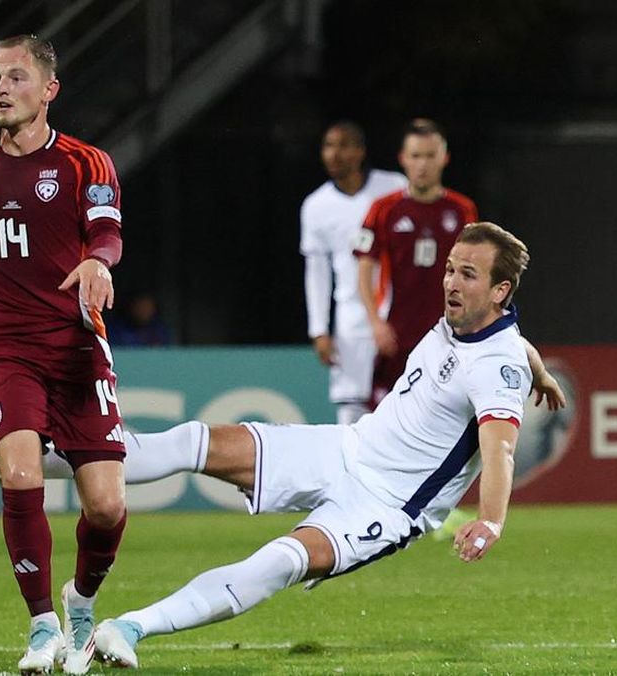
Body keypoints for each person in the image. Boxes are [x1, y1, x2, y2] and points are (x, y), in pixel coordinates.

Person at [90, 223, 565, 669]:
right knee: (199, 440)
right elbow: (518, 345)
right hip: (346, 447)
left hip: (385, 505)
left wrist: (490, 521)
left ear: (500, 290)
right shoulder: (473, 326)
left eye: (468, 274)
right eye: (449, 269)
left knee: (281, 561)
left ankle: (129, 628)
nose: (450, 284)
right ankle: (46, 461)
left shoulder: (495, 365)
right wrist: (541, 373)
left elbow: (500, 447)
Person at [0, 34, 128, 675]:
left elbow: (108, 234)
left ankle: (81, 604)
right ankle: (42, 627)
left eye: (14, 77)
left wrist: (98, 260)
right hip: (6, 350)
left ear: (48, 90)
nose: (0, 89)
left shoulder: (88, 163)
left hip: (77, 348)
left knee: (107, 507)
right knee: (18, 473)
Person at [355, 118, 479, 408]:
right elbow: (364, 270)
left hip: (447, 332)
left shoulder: (462, 210)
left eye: (430, 155)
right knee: (384, 415)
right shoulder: (383, 209)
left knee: (443, 416)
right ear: (403, 159)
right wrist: (375, 323)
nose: (422, 164)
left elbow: (475, 270)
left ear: (444, 158)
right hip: (395, 333)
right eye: (415, 156)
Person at [300, 121, 406, 423]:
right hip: (352, 317)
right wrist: (319, 328)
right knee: (352, 409)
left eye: (344, 145)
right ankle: (352, 471)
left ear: (360, 151)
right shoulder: (316, 205)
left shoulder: (394, 188)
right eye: (328, 146)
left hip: (399, 311)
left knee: (404, 403)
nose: (335, 154)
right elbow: (316, 270)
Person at [106, 293, 172, 347]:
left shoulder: (159, 331)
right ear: (133, 306)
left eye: (147, 307)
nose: (144, 311)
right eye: (141, 307)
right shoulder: (116, 330)